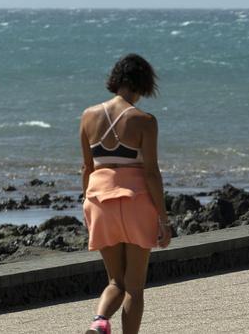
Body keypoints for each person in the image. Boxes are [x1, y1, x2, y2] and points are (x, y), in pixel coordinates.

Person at [80, 54, 171, 334]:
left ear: (116, 79)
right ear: (143, 84)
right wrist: (163, 220)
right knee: (134, 288)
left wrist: (87, 205)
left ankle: (98, 323)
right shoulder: (145, 121)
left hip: (99, 201)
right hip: (135, 202)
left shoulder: (88, 116)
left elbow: (86, 168)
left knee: (114, 283)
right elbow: (152, 173)